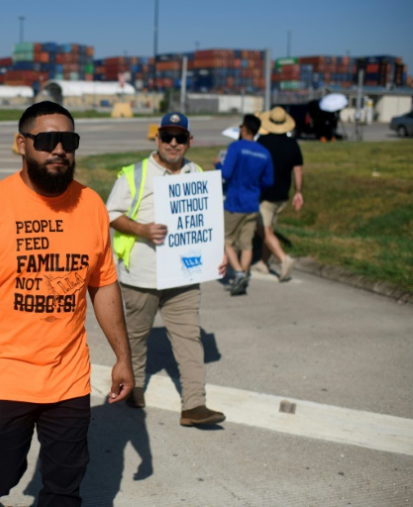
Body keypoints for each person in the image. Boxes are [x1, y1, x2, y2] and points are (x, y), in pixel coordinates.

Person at [0, 101, 134, 507]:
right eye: (47, 140)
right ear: (22, 144)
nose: (59, 149)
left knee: (65, 485)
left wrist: (123, 356)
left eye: (68, 140)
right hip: (3, 375)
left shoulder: (92, 206)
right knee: (1, 473)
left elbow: (103, 286)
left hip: (68, 376)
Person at [106, 112, 227, 426]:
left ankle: (194, 405)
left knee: (189, 337)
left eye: (181, 137)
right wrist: (141, 229)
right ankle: (136, 386)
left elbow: (208, 221)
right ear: (157, 139)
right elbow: (111, 214)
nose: (174, 143)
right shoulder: (135, 174)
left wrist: (220, 252)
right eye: (168, 137)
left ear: (189, 141)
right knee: (135, 336)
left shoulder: (197, 173)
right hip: (141, 277)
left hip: (183, 277)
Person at [215, 114, 274, 296]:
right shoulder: (264, 152)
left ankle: (239, 273)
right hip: (252, 203)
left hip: (234, 202)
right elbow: (268, 180)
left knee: (225, 240)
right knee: (246, 243)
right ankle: (244, 274)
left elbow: (226, 173)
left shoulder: (236, 147)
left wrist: (217, 165)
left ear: (243, 129)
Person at [255, 107, 304, 281]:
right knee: (270, 229)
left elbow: (255, 167)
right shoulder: (293, 143)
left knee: (263, 230)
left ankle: (284, 259)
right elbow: (297, 170)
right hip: (283, 195)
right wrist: (298, 192)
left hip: (265, 194)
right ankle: (263, 263)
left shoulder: (262, 142)